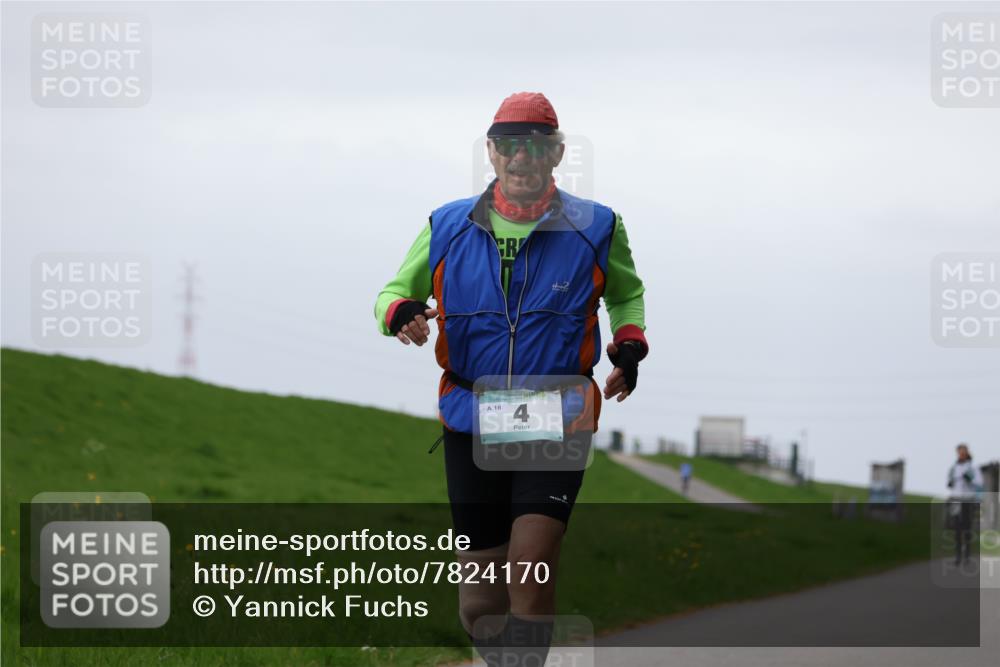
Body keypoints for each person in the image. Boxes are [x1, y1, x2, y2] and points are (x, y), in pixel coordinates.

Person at [374, 92, 648, 664]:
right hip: (472, 416)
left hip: (558, 413)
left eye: (536, 146)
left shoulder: (597, 226)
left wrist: (628, 345)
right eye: (508, 146)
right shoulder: (447, 224)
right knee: (479, 603)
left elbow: (625, 295)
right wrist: (399, 313)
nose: (521, 158)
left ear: (557, 154)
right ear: (492, 152)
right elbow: (393, 292)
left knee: (530, 567)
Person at [947, 443, 983, 565]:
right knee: (957, 529)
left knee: (967, 528)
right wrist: (950, 483)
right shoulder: (953, 468)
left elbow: (979, 483)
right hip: (956, 500)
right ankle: (958, 556)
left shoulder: (973, 467)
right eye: (959, 452)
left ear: (967, 452)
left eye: (963, 452)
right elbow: (950, 482)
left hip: (968, 500)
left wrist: (970, 479)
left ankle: (967, 555)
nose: (961, 454)